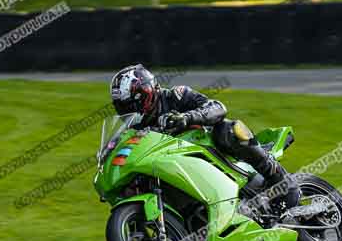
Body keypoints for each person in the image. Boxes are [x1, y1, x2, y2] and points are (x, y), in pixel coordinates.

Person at [109, 64, 300, 208]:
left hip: (209, 150)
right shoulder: (134, 130)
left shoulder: (176, 96)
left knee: (228, 129)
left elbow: (217, 107)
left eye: (132, 104)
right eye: (123, 108)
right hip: (176, 168)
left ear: (147, 93)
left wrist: (186, 117)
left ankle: (279, 178)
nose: (129, 111)